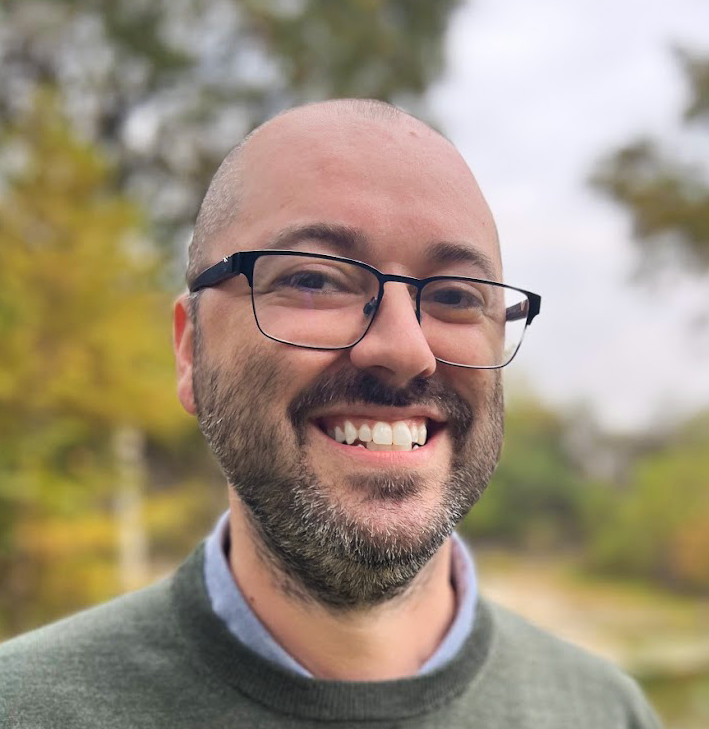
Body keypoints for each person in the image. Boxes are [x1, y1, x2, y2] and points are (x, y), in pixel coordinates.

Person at [0, 99, 661, 728]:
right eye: (313, 279)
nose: (404, 349)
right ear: (190, 349)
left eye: (457, 293)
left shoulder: (603, 710)